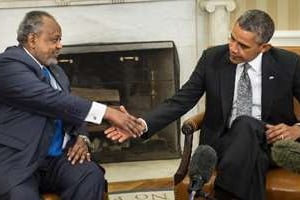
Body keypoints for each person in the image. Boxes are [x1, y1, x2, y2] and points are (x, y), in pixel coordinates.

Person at [105, 9, 300, 200]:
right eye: (232, 38)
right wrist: (141, 124)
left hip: (271, 145)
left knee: (248, 135)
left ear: (264, 47)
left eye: (243, 45)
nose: (232, 48)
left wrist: (297, 130)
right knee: (245, 126)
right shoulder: (212, 58)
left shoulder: (288, 64)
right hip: (222, 144)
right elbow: (182, 99)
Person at [0, 10, 143, 200]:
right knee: (20, 196)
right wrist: (107, 112)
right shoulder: (8, 64)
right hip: (20, 161)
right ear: (32, 39)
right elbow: (49, 100)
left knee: (89, 176)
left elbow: (69, 108)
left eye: (60, 39)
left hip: (58, 159)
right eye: (54, 39)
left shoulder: (56, 71)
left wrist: (82, 137)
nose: (60, 45)